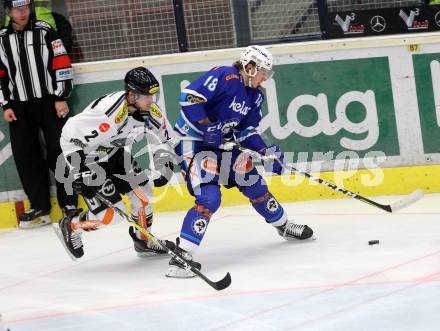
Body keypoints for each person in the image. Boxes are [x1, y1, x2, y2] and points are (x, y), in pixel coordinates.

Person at [169, 45, 315, 278]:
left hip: (223, 146)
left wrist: (265, 150)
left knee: (255, 185)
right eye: (262, 71)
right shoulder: (225, 75)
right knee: (209, 197)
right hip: (193, 143)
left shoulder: (256, 95)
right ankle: (181, 257)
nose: (265, 77)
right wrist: (207, 126)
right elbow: (188, 98)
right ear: (249, 67)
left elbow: (245, 130)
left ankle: (284, 226)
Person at [54, 66, 176, 260]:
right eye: (147, 96)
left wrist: (165, 162)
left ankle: (143, 241)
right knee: (110, 217)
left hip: (116, 155)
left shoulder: (150, 110)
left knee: (144, 196)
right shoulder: (108, 114)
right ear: (132, 95)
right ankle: (72, 224)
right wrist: (80, 172)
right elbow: (69, 136)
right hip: (90, 161)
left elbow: (165, 136)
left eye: (153, 95)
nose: (152, 100)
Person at [0, 0, 77, 228]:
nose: (22, 13)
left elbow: (62, 62)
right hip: (18, 106)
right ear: (8, 11)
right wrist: (6, 105)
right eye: (17, 9)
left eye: (25, 8)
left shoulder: (45, 31)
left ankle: (69, 203)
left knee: (59, 150)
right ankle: (40, 207)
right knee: (26, 155)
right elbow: (1, 75)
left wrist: (60, 96)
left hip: (49, 102)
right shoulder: (2, 39)